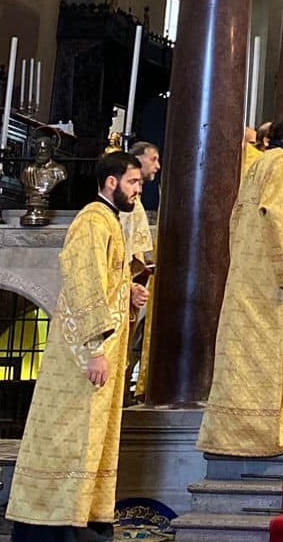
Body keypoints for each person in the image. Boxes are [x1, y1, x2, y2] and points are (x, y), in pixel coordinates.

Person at [5, 152, 149, 542]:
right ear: (111, 183)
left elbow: (105, 280)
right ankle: (56, 521)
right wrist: (94, 349)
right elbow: (82, 285)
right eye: (134, 182)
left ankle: (84, 514)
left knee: (91, 434)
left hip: (99, 350)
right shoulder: (92, 221)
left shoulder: (109, 221)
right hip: (83, 355)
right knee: (70, 433)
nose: (139, 189)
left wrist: (127, 290)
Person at [198, 111, 283, 457]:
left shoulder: (259, 163)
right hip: (271, 279)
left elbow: (237, 216)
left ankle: (232, 432)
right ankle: (262, 435)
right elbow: (281, 214)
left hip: (250, 271)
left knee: (245, 352)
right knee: (268, 352)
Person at [124, 142, 160, 402]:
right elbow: (120, 250)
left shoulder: (133, 202)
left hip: (135, 281)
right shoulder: (123, 205)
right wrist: (130, 283)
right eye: (153, 159)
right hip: (126, 284)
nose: (157, 166)